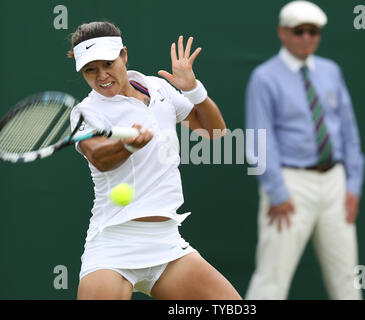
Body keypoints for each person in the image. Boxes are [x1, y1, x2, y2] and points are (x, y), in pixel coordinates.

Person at [68, 21, 241, 300]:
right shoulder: (85, 112)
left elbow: (215, 132)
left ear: (124, 55)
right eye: (90, 69)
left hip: (167, 242)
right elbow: (99, 157)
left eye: (108, 63)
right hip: (114, 243)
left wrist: (194, 89)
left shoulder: (158, 88)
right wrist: (128, 146)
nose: (102, 76)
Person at [245, 1, 365, 300]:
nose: (307, 37)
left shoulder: (331, 71)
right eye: (300, 31)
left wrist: (353, 185)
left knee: (348, 278)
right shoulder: (264, 77)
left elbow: (349, 131)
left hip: (335, 182)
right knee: (271, 278)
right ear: (283, 33)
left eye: (314, 31)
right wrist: (277, 191)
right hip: (290, 183)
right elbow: (259, 139)